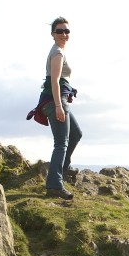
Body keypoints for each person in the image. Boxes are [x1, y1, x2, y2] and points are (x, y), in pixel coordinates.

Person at [40, 16, 83, 200]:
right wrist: (58, 106)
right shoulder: (57, 52)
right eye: (60, 31)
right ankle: (54, 185)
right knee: (61, 143)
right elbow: (55, 81)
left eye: (66, 31)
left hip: (59, 101)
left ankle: (60, 173)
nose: (64, 34)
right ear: (53, 34)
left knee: (75, 134)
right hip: (55, 101)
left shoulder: (59, 51)